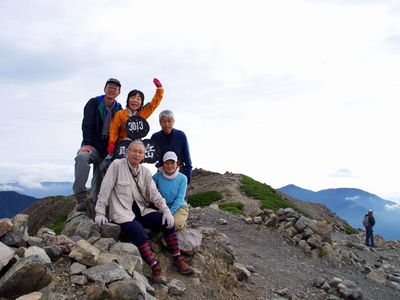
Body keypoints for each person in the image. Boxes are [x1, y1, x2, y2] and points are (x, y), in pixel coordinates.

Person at [94, 140, 194, 284]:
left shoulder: (145, 172)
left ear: (143, 156)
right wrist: (100, 212)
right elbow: (105, 188)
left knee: (166, 221)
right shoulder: (116, 165)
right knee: (138, 230)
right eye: (134, 151)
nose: (137, 154)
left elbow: (154, 194)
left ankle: (178, 259)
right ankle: (156, 269)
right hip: (122, 212)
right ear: (127, 152)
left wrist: (165, 210)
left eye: (140, 152)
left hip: (141, 209)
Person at [73, 78, 123, 207]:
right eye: (110, 87)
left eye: (115, 89)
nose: (112, 90)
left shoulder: (119, 109)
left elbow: (120, 130)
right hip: (92, 146)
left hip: (108, 150)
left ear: (118, 92)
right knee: (82, 158)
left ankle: (97, 201)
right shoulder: (94, 103)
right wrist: (86, 144)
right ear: (105, 89)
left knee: (101, 176)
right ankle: (81, 198)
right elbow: (87, 123)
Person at [106, 78, 164, 156]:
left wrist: (159, 89)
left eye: (138, 99)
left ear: (141, 103)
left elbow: (153, 104)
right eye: (133, 98)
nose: (135, 101)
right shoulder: (120, 114)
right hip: (122, 148)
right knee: (107, 163)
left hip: (137, 148)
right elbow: (113, 129)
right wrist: (111, 143)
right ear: (128, 100)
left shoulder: (142, 114)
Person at [151, 110, 193, 184]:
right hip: (162, 173)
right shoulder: (155, 137)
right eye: (163, 121)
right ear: (160, 123)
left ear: (173, 122)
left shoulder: (181, 135)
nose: (166, 124)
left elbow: (187, 157)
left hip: (180, 172)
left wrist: (188, 177)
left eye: (169, 121)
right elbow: (150, 156)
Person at [153, 151, 189, 230]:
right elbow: (150, 189)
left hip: (179, 207)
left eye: (172, 163)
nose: (170, 166)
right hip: (163, 207)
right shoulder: (157, 177)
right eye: (167, 163)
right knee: (159, 223)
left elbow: (180, 199)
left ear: (177, 164)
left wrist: (170, 213)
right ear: (163, 164)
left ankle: (182, 223)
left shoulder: (183, 178)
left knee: (173, 223)